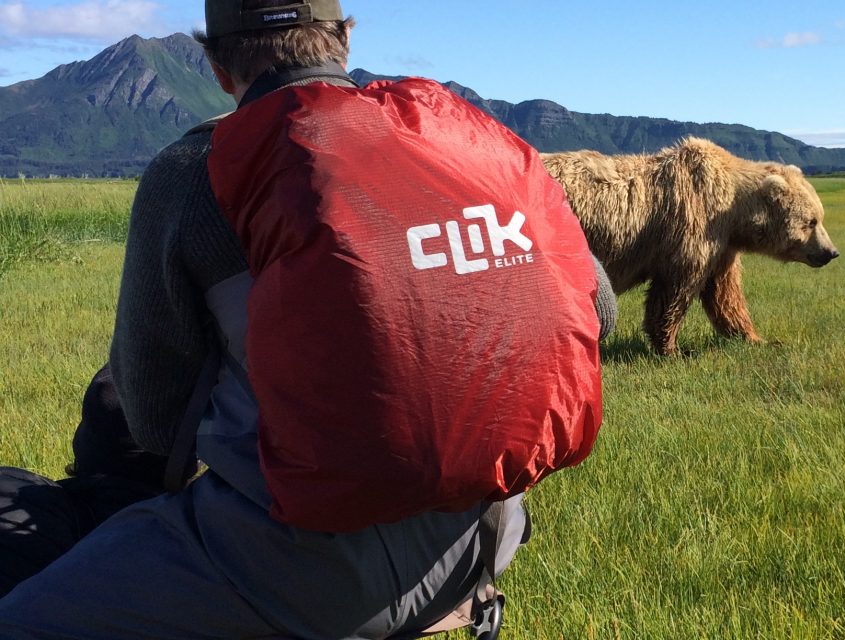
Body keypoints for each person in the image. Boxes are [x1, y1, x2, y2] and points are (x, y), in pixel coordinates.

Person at [0, 0, 616, 637]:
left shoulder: (196, 171)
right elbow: (600, 308)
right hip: (489, 533)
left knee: (24, 620)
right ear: (344, 40)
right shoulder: (467, 139)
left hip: (306, 560)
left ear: (214, 64)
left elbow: (155, 420)